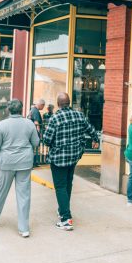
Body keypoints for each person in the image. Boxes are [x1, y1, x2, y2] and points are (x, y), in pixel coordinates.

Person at [0, 99, 40, 238]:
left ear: (9, 110)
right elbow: (36, 142)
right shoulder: (29, 124)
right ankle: (24, 228)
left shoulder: (2, 124)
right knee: (24, 195)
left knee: (2, 191)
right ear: (21, 110)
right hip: (25, 163)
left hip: (7, 163)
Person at [43, 92, 97, 231]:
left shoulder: (55, 118)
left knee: (60, 186)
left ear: (58, 104)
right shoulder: (79, 115)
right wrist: (96, 139)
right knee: (68, 184)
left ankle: (66, 219)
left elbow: (47, 140)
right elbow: (91, 130)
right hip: (74, 156)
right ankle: (63, 208)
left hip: (59, 158)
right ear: (69, 102)